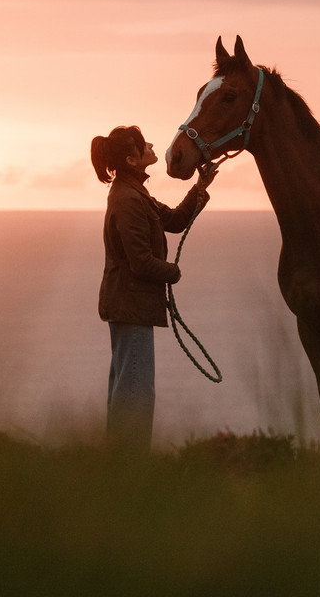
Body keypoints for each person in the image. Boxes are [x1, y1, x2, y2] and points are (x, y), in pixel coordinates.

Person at [91, 125, 215, 453]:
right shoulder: (129, 199)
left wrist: (200, 188)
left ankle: (119, 463)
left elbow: (173, 220)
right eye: (141, 144)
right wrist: (173, 272)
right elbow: (141, 262)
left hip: (129, 305)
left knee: (127, 387)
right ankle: (131, 465)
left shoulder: (132, 193)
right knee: (136, 392)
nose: (150, 145)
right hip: (131, 306)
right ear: (131, 160)